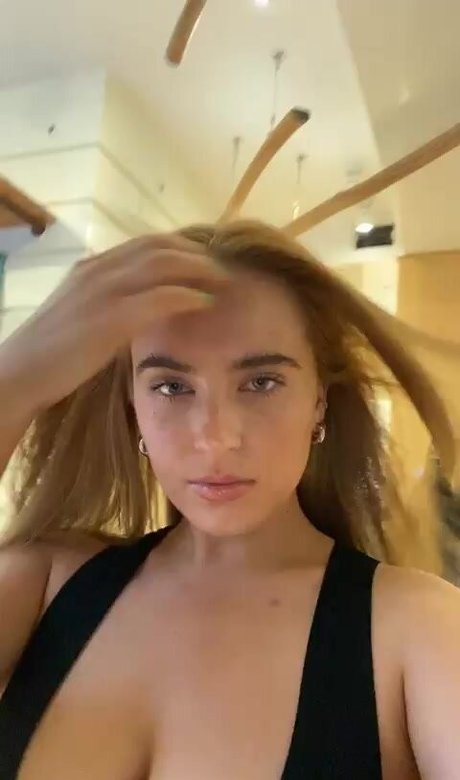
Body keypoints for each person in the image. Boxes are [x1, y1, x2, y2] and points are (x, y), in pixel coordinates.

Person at [0, 221, 459, 780]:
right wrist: (13, 381)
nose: (215, 438)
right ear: (133, 406)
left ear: (319, 399)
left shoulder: (417, 629)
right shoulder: (45, 586)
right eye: (171, 386)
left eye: (262, 381)